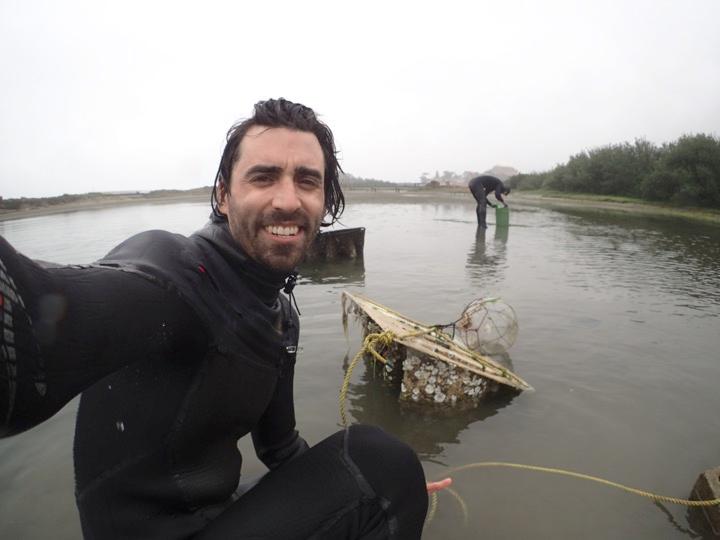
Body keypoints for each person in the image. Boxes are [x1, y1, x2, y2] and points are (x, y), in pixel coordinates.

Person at [0, 98, 450, 539]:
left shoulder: (279, 314)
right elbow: (31, 331)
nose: (288, 200)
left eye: (308, 181)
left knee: (381, 477)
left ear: (325, 201)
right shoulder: (174, 274)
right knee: (381, 459)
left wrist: (369, 502)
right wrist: (383, 482)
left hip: (212, 515)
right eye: (264, 177)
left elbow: (280, 448)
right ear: (223, 195)